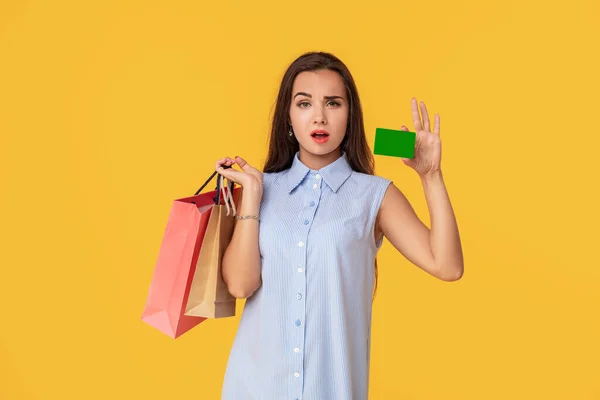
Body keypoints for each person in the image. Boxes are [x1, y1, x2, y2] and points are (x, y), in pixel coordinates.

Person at [214, 51, 464, 400]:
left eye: (333, 103)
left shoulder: (374, 196)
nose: (319, 116)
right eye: (304, 104)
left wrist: (431, 177)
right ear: (288, 116)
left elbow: (448, 266)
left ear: (350, 116)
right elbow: (240, 285)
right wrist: (252, 196)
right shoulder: (259, 189)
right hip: (253, 388)